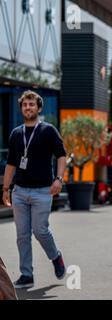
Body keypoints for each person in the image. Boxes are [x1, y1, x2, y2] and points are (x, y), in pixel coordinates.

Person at [2, 91, 67, 289]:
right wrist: (6, 188)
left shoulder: (48, 131)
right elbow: (11, 163)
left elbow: (61, 156)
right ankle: (26, 274)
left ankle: (56, 257)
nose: (28, 107)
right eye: (25, 105)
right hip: (20, 191)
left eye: (31, 104)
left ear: (38, 108)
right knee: (22, 235)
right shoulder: (16, 133)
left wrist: (59, 179)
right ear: (21, 108)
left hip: (42, 191)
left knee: (40, 231)